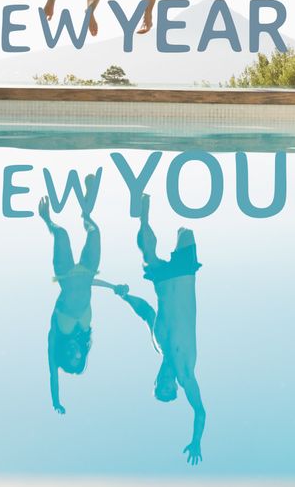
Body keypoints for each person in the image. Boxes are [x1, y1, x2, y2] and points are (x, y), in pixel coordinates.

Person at [113, 194, 206, 465]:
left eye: (160, 386)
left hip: (162, 281)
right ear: (175, 385)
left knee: (147, 256)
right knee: (186, 229)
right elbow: (199, 411)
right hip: (186, 273)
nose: (166, 382)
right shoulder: (186, 371)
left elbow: (146, 312)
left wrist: (124, 296)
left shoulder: (158, 343)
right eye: (169, 388)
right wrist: (196, 440)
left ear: (156, 381)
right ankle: (182, 206)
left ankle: (143, 214)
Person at [38, 173, 125, 415]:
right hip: (87, 272)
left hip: (65, 275)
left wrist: (56, 400)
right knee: (94, 230)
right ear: (82, 355)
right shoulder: (85, 332)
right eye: (79, 358)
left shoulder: (56, 336)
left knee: (62, 232)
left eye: (70, 358)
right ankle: (86, 213)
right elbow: (89, 287)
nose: (73, 353)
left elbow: (52, 372)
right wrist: (113, 288)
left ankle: (47, 220)